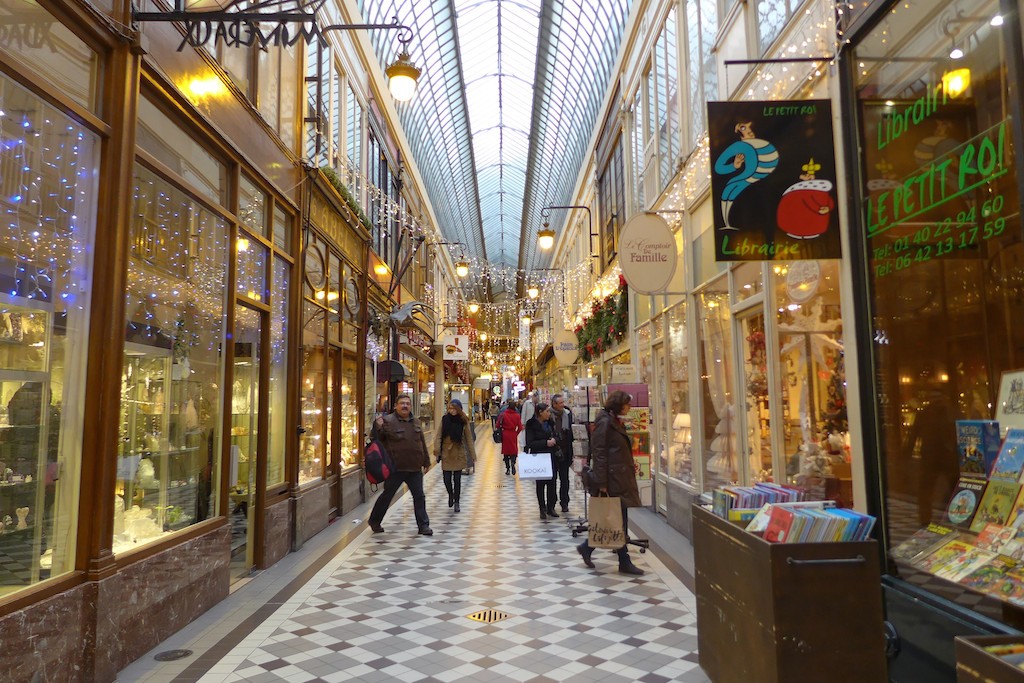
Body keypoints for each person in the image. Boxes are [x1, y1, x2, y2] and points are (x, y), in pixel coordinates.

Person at [577, 390, 644, 575]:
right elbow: (599, 452)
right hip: (612, 479)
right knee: (617, 520)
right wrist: (601, 482)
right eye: (627, 404)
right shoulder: (605, 421)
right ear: (618, 404)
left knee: (616, 519)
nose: (630, 407)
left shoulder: (612, 420)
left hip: (619, 477)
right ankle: (623, 561)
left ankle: (588, 548)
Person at [367, 394, 433, 536]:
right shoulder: (387, 421)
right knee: (387, 495)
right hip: (395, 468)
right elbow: (376, 440)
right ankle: (374, 521)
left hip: (414, 467)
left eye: (407, 404)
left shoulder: (416, 422)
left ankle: (423, 526)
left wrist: (426, 460)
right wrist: (377, 427)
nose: (405, 406)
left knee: (419, 496)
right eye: (402, 403)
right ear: (396, 405)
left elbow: (421, 441)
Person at [434, 399, 476, 513]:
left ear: (459, 409)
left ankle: (457, 502)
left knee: (457, 480)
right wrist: (437, 450)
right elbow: (438, 436)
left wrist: (473, 455)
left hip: (458, 452)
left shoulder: (463, 421)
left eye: (454, 408)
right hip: (447, 453)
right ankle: (450, 494)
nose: (451, 411)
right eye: (450, 408)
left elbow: (469, 439)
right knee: (447, 479)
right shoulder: (445, 420)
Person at [525, 402, 560, 520]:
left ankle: (551, 507)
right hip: (539, 457)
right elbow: (530, 443)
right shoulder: (531, 424)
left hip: (551, 457)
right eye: (547, 411)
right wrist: (546, 442)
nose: (549, 413)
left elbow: (556, 434)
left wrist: (555, 439)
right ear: (540, 412)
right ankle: (542, 508)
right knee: (540, 484)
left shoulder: (550, 422)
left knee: (552, 482)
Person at [551, 393, 575, 513]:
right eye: (560, 403)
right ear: (554, 404)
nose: (562, 405)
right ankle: (552, 503)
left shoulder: (568, 415)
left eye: (563, 402)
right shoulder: (549, 416)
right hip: (553, 452)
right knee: (553, 479)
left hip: (565, 452)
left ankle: (564, 502)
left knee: (565, 479)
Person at [498, 400, 523, 475]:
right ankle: (513, 462)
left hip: (505, 434)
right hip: (513, 434)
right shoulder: (517, 415)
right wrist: (516, 433)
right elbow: (520, 427)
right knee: (513, 450)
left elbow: (498, 425)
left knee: (506, 451)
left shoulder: (503, 414)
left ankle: (508, 468)